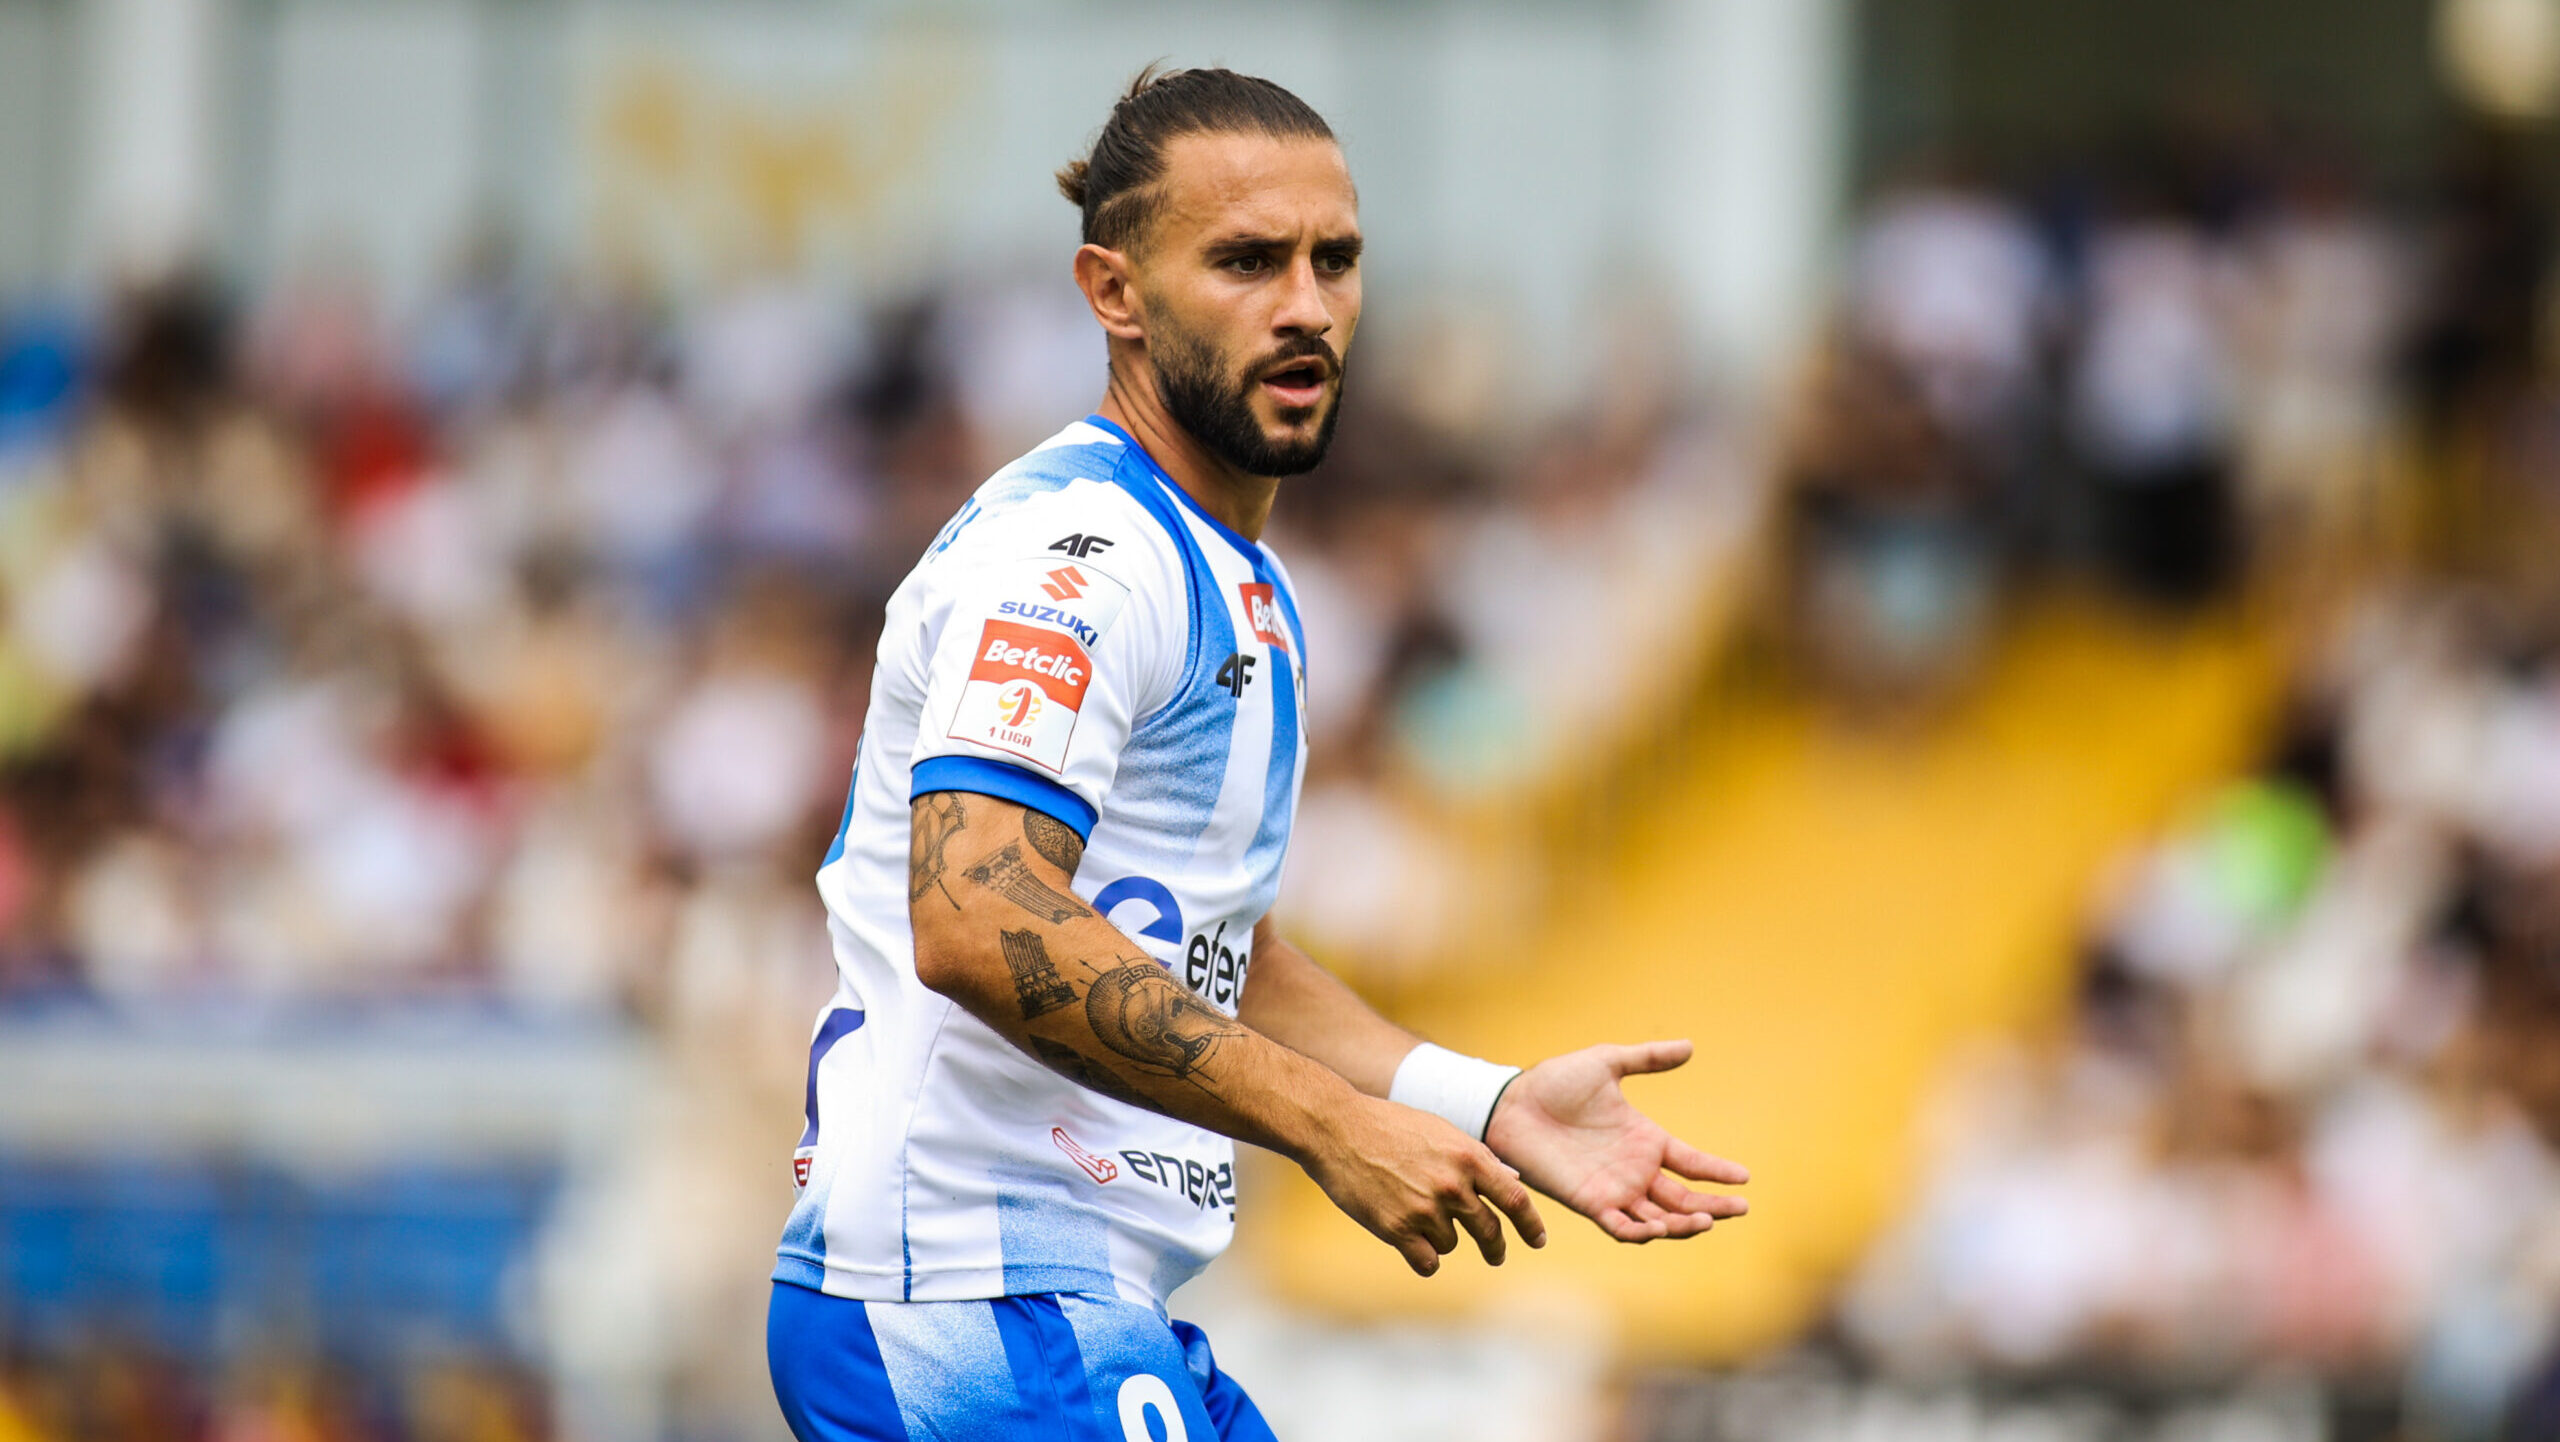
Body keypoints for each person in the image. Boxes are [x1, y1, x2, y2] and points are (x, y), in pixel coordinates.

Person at [766, 65, 1750, 1442]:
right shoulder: (1081, 555)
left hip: (1083, 1301)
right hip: (971, 1300)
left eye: (1332, 260)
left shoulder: (1237, 581)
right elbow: (979, 908)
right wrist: (1328, 1125)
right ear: (1112, 291)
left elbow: (1217, 947)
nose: (1306, 305)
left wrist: (1484, 1100)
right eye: (1246, 261)